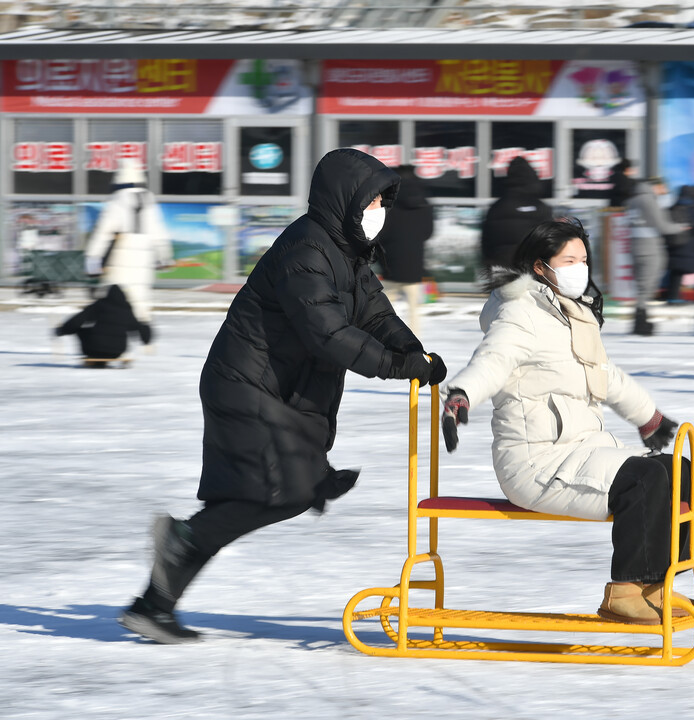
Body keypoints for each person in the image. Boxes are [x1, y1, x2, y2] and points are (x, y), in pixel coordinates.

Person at [118, 149, 448, 644]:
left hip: (277, 386)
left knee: (269, 494)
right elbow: (329, 333)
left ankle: (154, 603)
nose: (380, 209)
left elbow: (374, 312)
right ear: (345, 199)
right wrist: (397, 366)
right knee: (282, 490)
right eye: (373, 199)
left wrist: (410, 347)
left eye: (383, 200)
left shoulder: (345, 250)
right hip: (247, 383)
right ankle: (177, 546)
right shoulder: (307, 250)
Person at [440, 218, 689, 625]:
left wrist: (649, 417)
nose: (580, 269)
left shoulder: (572, 313)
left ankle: (657, 585)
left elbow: (604, 374)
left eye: (584, 260)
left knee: (677, 470)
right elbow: (494, 360)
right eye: (569, 260)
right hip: (535, 462)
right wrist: (461, 395)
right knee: (645, 480)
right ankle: (625, 593)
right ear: (541, 267)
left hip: (583, 448)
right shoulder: (520, 313)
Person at [83, 159, 173, 326]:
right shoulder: (149, 200)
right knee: (138, 295)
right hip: (143, 256)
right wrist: (164, 255)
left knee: (116, 295)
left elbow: (103, 232)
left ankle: (113, 331)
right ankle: (141, 326)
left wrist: (92, 257)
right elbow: (159, 231)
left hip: (121, 254)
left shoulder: (116, 200)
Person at [378, 165, 435, 339]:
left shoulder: (389, 202)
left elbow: (382, 233)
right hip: (414, 263)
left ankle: (385, 337)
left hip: (391, 262)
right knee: (414, 308)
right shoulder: (424, 203)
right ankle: (415, 341)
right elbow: (428, 232)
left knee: (385, 308)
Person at [627, 177, 686, 335]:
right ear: (655, 186)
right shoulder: (649, 200)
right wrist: (679, 227)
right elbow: (661, 225)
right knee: (647, 287)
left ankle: (640, 320)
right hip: (650, 247)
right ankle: (641, 322)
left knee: (641, 286)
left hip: (635, 245)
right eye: (662, 187)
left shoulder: (632, 200)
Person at [480, 156, 553, 270]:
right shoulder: (540, 207)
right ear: (532, 177)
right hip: (532, 268)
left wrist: (489, 263)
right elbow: (550, 240)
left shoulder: (497, 208)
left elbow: (487, 241)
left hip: (503, 268)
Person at [54, 284, 151, 366]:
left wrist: (62, 330)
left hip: (92, 349)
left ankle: (95, 356)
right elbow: (138, 327)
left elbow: (77, 321)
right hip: (117, 352)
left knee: (80, 329)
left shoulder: (99, 305)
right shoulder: (127, 310)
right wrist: (146, 339)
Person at [665, 184, 694, 302]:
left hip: (674, 244)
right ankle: (677, 296)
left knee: (675, 272)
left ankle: (672, 295)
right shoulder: (693, 208)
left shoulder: (673, 208)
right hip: (689, 244)